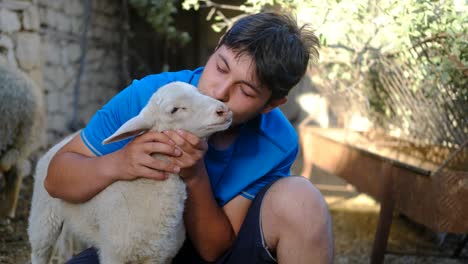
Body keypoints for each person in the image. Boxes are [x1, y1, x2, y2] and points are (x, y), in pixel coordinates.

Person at [45, 12, 334, 264]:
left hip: (219, 251)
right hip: (137, 247)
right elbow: (55, 179)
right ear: (218, 46)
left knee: (302, 200)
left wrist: (195, 175)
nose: (220, 92)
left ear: (271, 104)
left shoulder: (276, 142)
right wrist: (121, 162)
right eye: (221, 67)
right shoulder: (152, 98)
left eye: (245, 92)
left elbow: (213, 250)